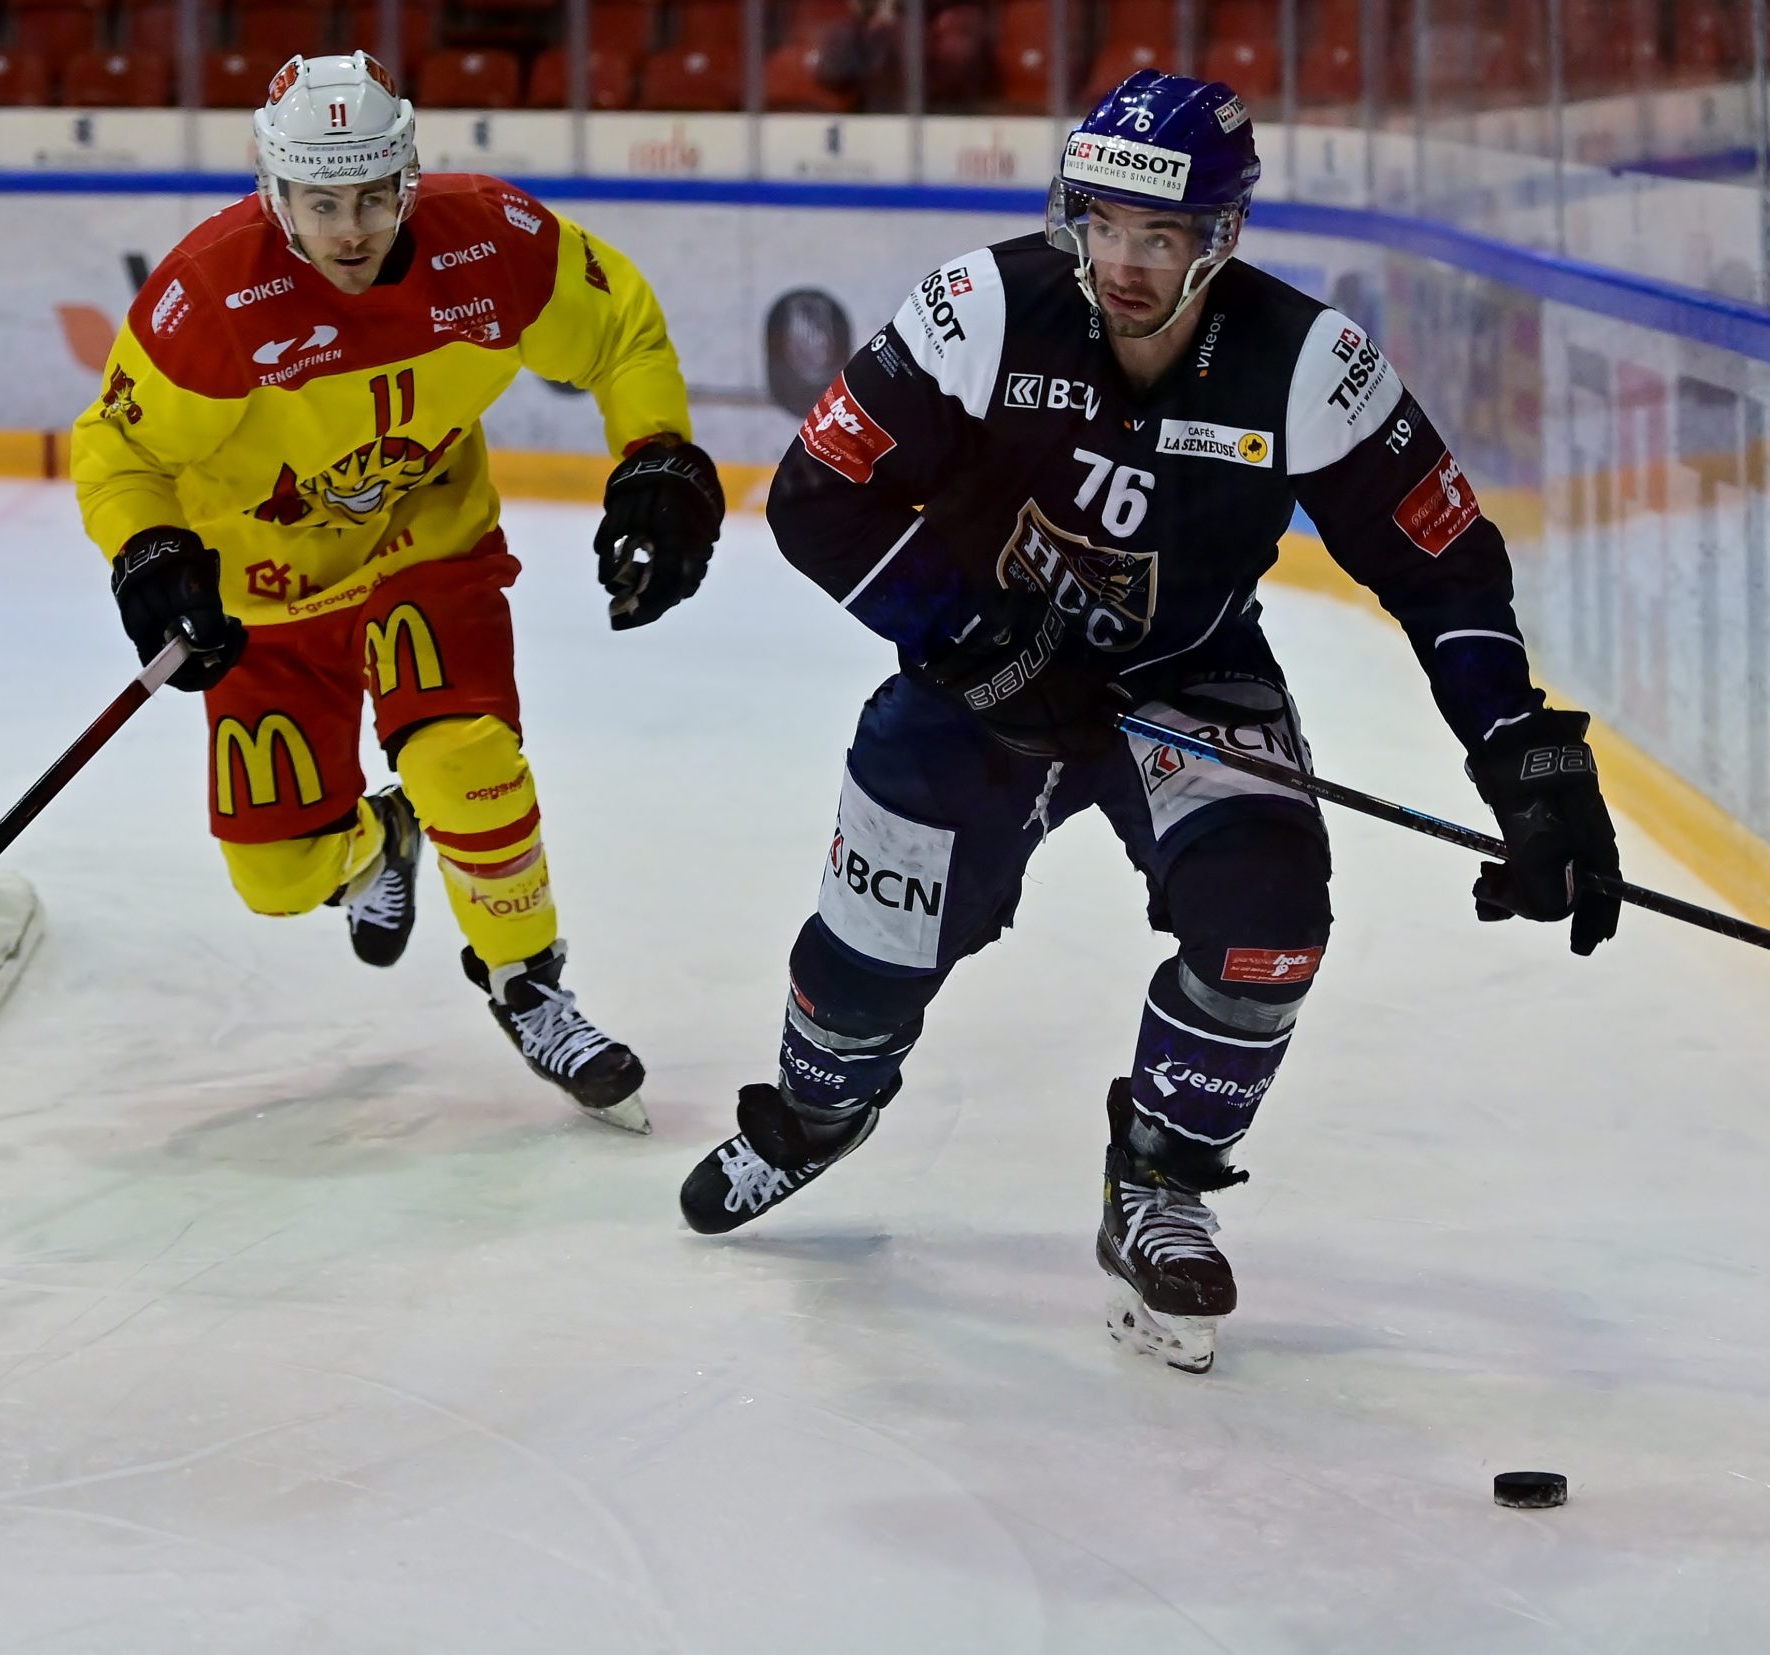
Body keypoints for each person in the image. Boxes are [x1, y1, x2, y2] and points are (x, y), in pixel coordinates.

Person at [679, 70, 1621, 1371]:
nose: (1120, 262)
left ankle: (1162, 1174)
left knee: (1268, 920)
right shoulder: (983, 308)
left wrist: (1521, 744)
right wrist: (974, 641)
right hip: (978, 675)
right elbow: (814, 496)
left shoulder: (1309, 367)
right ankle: (819, 1110)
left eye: (1158, 236)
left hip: (1184, 678)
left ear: (1219, 240)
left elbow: (1442, 562)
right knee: (863, 957)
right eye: (1102, 223)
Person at [69, 52, 725, 1133]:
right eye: (320, 202)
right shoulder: (213, 295)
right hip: (266, 592)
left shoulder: (493, 242)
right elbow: (117, 447)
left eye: (375, 194)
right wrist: (149, 553)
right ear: (272, 188)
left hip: (427, 537)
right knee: (274, 879)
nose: (352, 229)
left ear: (409, 174)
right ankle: (377, 840)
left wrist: (657, 457)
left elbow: (618, 330)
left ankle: (526, 978)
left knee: (463, 757)